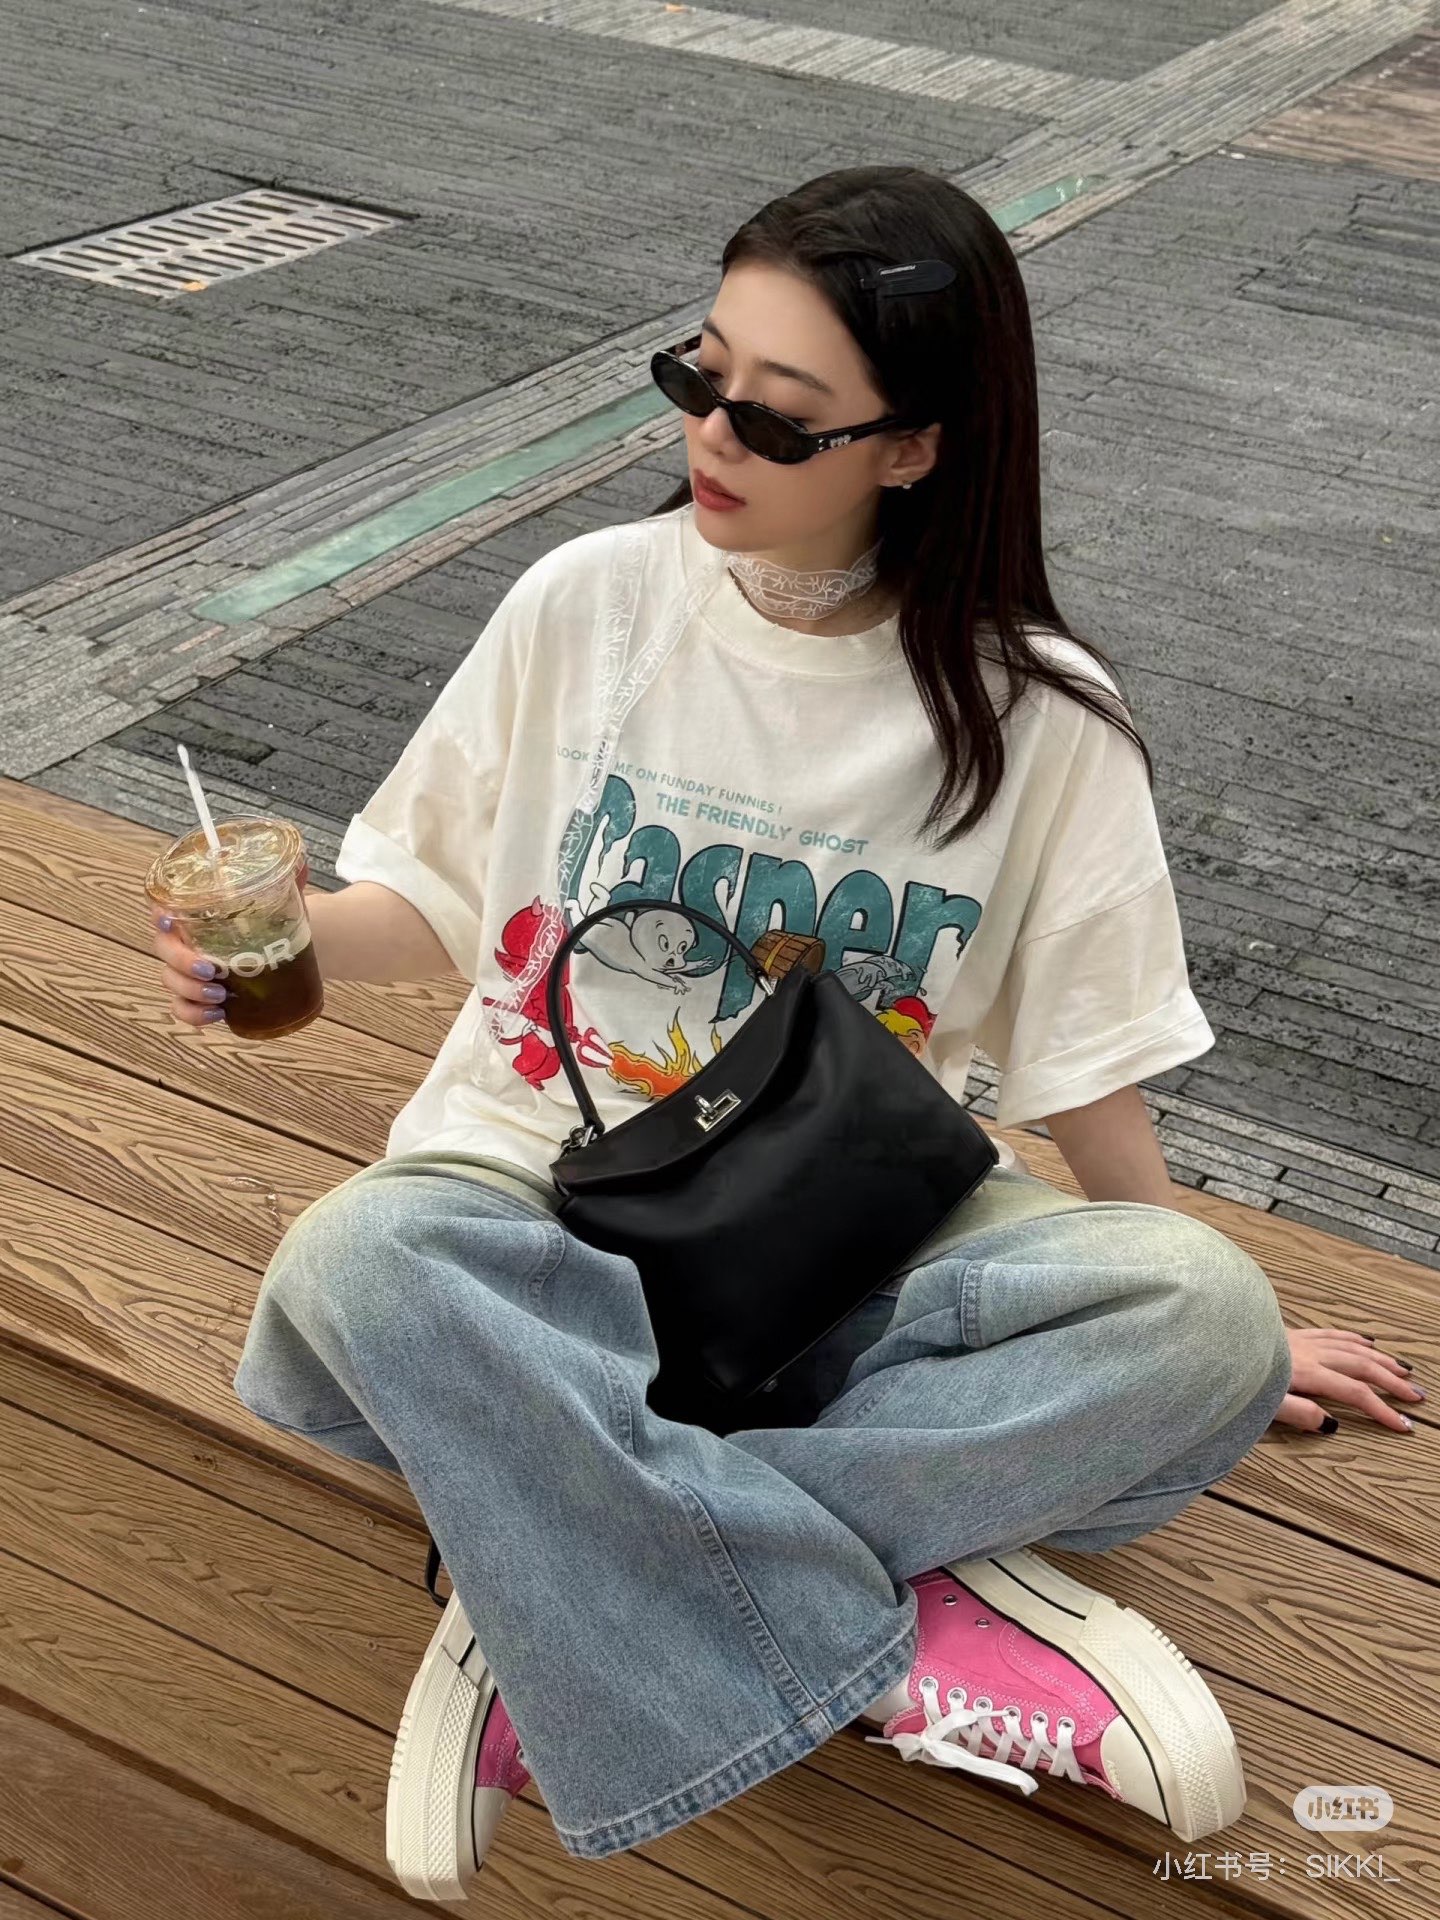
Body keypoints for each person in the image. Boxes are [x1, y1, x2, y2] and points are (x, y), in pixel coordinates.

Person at [150, 165, 1420, 1902]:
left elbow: (1090, 1067)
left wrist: (1227, 1326)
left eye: (778, 413)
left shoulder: (1038, 718)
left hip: (846, 1249)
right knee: (361, 1261)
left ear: (915, 447)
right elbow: (436, 905)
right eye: (701, 373)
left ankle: (566, 1587)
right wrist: (288, 942)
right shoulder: (590, 602)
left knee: (1200, 1319)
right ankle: (855, 1621)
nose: (713, 432)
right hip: (535, 1227)